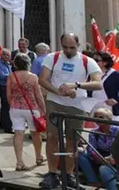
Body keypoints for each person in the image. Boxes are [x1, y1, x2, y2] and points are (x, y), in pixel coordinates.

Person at [38, 33, 103, 189]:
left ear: (78, 45)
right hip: (55, 101)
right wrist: (57, 91)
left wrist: (76, 85)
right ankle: (52, 173)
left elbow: (98, 84)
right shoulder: (52, 57)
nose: (68, 50)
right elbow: (42, 79)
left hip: (77, 103)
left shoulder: (88, 61)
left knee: (73, 140)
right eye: (65, 47)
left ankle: (69, 174)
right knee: (52, 136)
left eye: (72, 47)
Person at [7, 54, 46, 170]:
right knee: (35, 133)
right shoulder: (33, 77)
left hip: (16, 108)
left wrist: (13, 105)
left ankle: (19, 162)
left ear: (16, 64)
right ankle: (39, 157)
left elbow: (8, 95)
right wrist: (43, 110)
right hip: (32, 109)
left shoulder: (11, 76)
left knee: (18, 134)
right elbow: (38, 96)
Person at [77, 107, 119, 190]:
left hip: (115, 157)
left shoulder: (117, 130)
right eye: (95, 116)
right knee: (79, 153)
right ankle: (93, 181)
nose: (97, 119)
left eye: (101, 117)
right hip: (100, 157)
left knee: (104, 169)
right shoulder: (94, 131)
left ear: (109, 119)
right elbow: (91, 148)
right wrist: (99, 158)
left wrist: (112, 158)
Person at [93, 51, 119, 121]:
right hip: (94, 111)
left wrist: (116, 100)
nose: (93, 62)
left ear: (105, 63)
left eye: (96, 60)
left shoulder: (115, 75)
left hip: (110, 111)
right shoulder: (92, 73)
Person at [0, 49, 13, 133]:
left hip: (8, 86)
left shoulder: (7, 64)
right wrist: (13, 76)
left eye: (8, 55)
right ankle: (8, 127)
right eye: (5, 55)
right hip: (3, 86)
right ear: (1, 55)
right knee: (7, 106)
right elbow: (2, 76)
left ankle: (2, 124)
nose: (7, 57)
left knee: (5, 106)